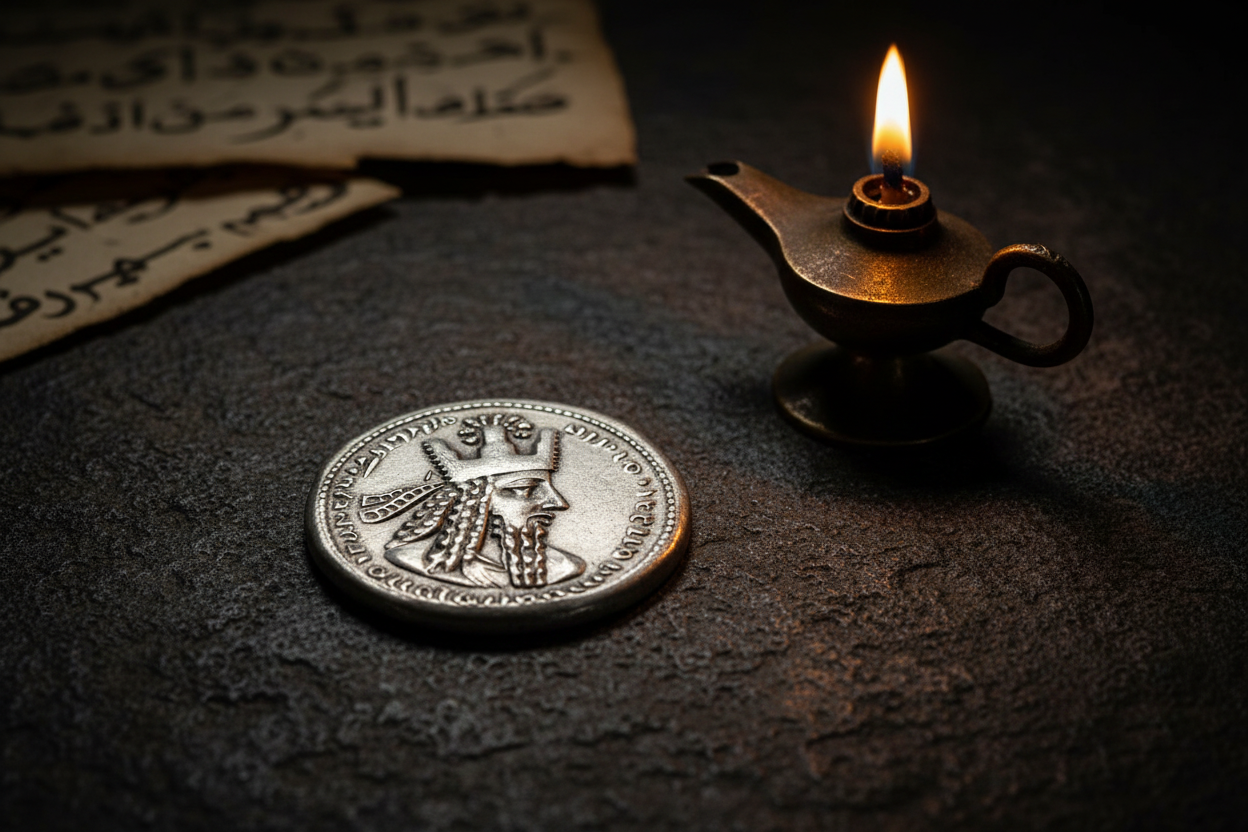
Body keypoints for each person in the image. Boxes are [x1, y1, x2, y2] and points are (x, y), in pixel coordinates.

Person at [360, 413, 585, 589]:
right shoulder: (409, 559)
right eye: (525, 489)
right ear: (475, 500)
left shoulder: (566, 566)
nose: (557, 502)